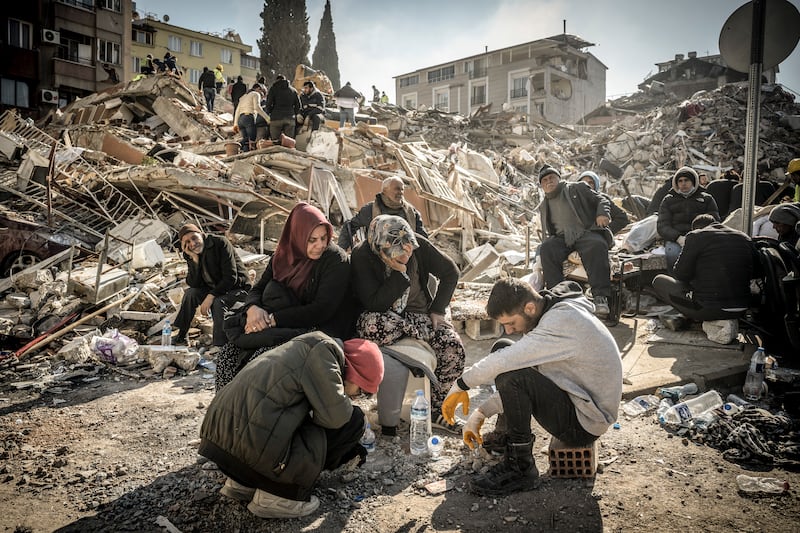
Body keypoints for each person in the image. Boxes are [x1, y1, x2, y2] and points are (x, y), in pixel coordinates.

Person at [441, 277, 621, 496]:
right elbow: (525, 365)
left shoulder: (560, 325)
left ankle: (520, 468)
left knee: (511, 374)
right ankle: (505, 436)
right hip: (579, 400)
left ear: (529, 307)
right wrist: (481, 413)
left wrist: (460, 385)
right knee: (503, 347)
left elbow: (507, 365)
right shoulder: (554, 309)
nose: (508, 330)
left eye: (511, 323)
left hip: (585, 424)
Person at [199, 331, 384, 518]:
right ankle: (279, 494)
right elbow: (335, 418)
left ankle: (243, 483)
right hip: (249, 450)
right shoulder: (324, 352)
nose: (357, 396)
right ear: (356, 371)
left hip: (220, 445)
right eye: (362, 391)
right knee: (354, 419)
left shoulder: (303, 346)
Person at [215, 202, 355, 390]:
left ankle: (255, 414)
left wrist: (272, 320)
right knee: (228, 355)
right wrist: (253, 310)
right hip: (275, 323)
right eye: (312, 240)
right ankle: (226, 413)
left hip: (313, 327)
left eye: (324, 238)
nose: (320, 245)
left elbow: (321, 309)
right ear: (297, 236)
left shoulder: (335, 260)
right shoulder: (282, 256)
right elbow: (258, 289)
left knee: (262, 361)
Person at [350, 215, 466, 434]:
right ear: (380, 248)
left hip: (419, 316)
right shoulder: (362, 255)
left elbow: (451, 272)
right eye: (397, 252)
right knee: (371, 325)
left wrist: (438, 310)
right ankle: (416, 335)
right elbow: (374, 303)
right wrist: (400, 275)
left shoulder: (417, 245)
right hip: (384, 317)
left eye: (408, 250)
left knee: (453, 348)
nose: (406, 255)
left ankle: (435, 408)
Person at [537, 165, 613, 318]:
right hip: (561, 238)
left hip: (584, 232)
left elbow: (601, 199)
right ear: (542, 186)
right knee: (546, 249)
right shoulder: (544, 204)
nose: (549, 182)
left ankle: (600, 297)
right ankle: (557, 297)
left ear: (559, 178)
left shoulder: (576, 188)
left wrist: (602, 213)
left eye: (552, 178)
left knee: (597, 245)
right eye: (545, 180)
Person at [652, 214, 756, 321]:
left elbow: (680, 274)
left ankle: (692, 317)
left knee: (659, 281)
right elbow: (756, 272)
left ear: (697, 228)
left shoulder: (696, 236)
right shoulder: (744, 238)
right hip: (742, 309)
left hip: (710, 310)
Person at [173, 224, 251, 346]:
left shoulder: (220, 243)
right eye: (188, 242)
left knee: (217, 302)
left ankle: (221, 345)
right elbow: (194, 283)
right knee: (190, 294)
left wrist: (211, 296)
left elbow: (230, 277)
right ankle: (181, 335)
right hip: (215, 288)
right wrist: (195, 260)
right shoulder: (190, 253)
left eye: (194, 238)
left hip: (237, 289)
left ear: (202, 234)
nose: (193, 243)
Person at [656, 166, 720, 272]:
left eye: (686, 180)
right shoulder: (668, 200)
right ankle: (675, 283)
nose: (683, 183)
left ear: (694, 181)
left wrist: (698, 237)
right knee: (673, 254)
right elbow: (662, 225)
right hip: (676, 240)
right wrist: (678, 238)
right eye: (680, 181)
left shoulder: (706, 198)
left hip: (701, 238)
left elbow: (715, 222)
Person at [338, 176, 427, 250]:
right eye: (397, 189)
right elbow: (349, 226)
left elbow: (422, 238)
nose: (400, 193)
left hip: (406, 256)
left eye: (402, 189)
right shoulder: (370, 210)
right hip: (377, 257)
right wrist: (341, 251)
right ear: (385, 191)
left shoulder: (411, 212)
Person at [578, 171, 630, 235]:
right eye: (583, 182)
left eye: (590, 183)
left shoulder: (602, 199)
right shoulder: (571, 198)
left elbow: (622, 218)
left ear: (596, 185)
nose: (586, 185)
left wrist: (605, 232)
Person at [233, 84, 270, 152]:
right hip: (248, 118)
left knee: (246, 141)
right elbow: (257, 107)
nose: (262, 95)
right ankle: (235, 145)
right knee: (252, 139)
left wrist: (235, 124)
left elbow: (237, 110)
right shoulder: (256, 94)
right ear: (258, 88)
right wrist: (267, 118)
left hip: (240, 119)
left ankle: (243, 152)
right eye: (263, 92)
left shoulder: (244, 96)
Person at [265, 74, 301, 142]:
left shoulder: (273, 89)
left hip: (276, 118)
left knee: (275, 142)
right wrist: (293, 114)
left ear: (276, 80)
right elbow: (298, 106)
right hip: (290, 118)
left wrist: (270, 112)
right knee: (289, 142)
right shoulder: (293, 90)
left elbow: (268, 104)